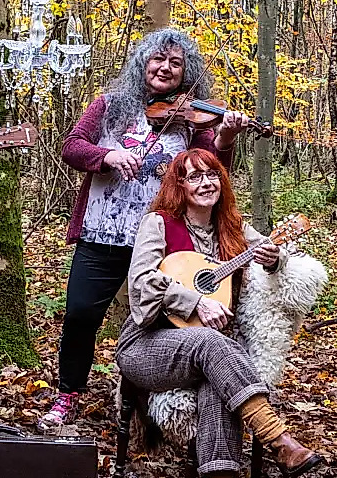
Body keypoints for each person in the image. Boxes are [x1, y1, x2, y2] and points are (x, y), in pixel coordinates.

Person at [38, 28, 251, 431]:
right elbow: (72, 146)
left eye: (176, 63)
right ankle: (67, 395)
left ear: (186, 73)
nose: (165, 68)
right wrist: (109, 155)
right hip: (103, 232)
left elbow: (212, 164)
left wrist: (225, 134)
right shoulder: (110, 104)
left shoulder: (192, 119)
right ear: (143, 62)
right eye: (158, 59)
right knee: (82, 313)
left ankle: (144, 402)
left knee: (160, 318)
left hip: (161, 240)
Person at [116, 148, 324, 478]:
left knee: (217, 378)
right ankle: (279, 439)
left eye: (211, 174)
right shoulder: (159, 224)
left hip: (204, 351)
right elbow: (142, 281)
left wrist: (274, 259)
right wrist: (194, 301)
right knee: (211, 342)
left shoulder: (234, 229)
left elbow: (275, 255)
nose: (205, 183)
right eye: (194, 176)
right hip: (147, 343)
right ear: (179, 185)